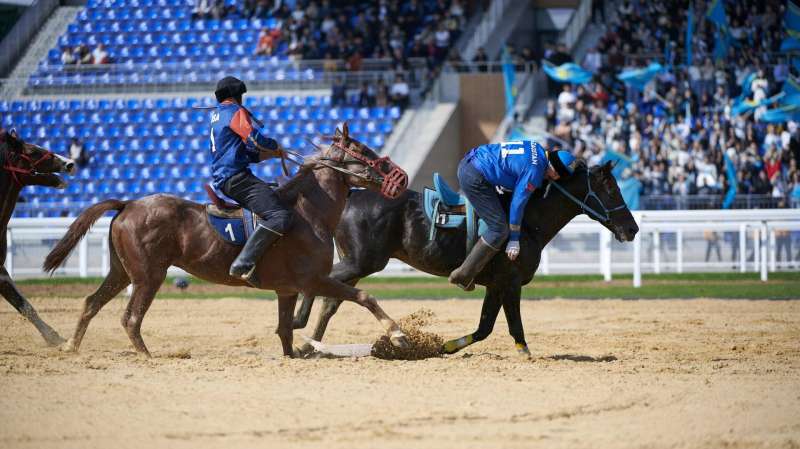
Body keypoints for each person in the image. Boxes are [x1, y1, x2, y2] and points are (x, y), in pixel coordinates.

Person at [448, 141, 576, 290]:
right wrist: (514, 238)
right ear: (555, 171)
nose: (555, 179)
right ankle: (464, 274)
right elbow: (517, 204)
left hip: (474, 161)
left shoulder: (536, 147)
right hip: (475, 176)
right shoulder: (535, 171)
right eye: (557, 176)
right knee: (499, 229)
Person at [209, 76, 291, 286]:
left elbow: (247, 152)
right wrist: (274, 145)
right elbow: (254, 139)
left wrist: (270, 154)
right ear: (237, 95)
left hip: (227, 177)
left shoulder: (217, 115)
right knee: (279, 215)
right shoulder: (235, 111)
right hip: (236, 178)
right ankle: (244, 262)